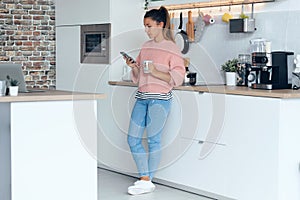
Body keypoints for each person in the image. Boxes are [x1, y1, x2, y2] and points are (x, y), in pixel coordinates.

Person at [123, 6, 185, 195]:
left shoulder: (171, 48)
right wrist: (133, 67)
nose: (146, 30)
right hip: (142, 97)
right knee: (132, 139)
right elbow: (139, 73)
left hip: (160, 100)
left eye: (149, 26)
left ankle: (145, 180)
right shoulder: (145, 46)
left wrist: (157, 72)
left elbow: (179, 77)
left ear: (161, 24)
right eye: (145, 26)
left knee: (153, 140)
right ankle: (146, 179)